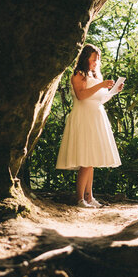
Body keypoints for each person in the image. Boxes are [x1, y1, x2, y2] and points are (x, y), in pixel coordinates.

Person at [56, 44, 123, 208]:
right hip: (83, 118)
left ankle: (89, 197)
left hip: (96, 117)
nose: (96, 63)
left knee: (91, 160)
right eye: (94, 59)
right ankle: (79, 199)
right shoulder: (79, 74)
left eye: (97, 60)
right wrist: (100, 85)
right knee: (85, 159)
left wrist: (114, 91)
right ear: (85, 58)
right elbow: (81, 96)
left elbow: (99, 99)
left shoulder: (94, 76)